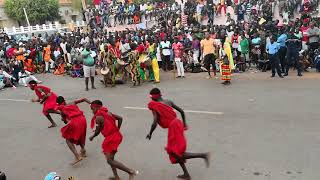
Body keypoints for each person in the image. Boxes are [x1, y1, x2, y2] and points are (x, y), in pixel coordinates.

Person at [146, 88, 210, 180]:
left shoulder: (154, 105)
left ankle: (203, 155)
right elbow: (181, 111)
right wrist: (184, 123)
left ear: (153, 97)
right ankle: (186, 174)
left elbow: (155, 122)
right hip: (178, 123)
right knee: (175, 152)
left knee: (175, 152)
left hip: (173, 128)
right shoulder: (168, 101)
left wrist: (150, 133)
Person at [89, 100, 139, 180]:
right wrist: (117, 130)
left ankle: (130, 172)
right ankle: (116, 177)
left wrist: (92, 136)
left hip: (111, 139)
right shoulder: (107, 112)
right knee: (110, 158)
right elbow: (120, 118)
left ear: (97, 107)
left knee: (109, 160)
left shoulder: (98, 117)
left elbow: (97, 131)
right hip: (116, 136)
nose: (92, 111)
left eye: (92, 108)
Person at [55, 96, 90, 165]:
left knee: (68, 139)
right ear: (64, 101)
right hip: (83, 119)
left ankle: (77, 156)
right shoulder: (72, 103)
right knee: (81, 135)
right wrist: (91, 104)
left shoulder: (62, 109)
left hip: (75, 122)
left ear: (58, 104)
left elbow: (65, 121)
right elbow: (84, 99)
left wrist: (63, 119)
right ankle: (83, 151)